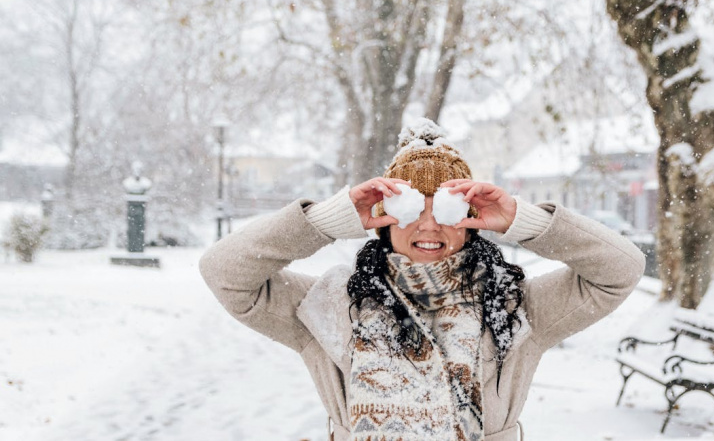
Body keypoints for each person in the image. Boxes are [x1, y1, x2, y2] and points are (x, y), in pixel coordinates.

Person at [199, 118, 645, 441]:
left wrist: (522, 221)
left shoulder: (512, 304)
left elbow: (621, 270)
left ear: (470, 217)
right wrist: (325, 220)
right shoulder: (330, 305)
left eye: (446, 209)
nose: (429, 227)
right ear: (385, 220)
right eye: (413, 209)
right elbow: (224, 272)